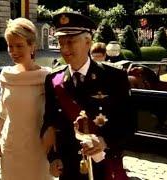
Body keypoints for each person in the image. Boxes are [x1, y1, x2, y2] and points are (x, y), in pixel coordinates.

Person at [41, 12, 136, 180]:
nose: (64, 49)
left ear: (88, 41)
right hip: (68, 167)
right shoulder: (53, 79)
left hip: (105, 165)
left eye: (70, 42)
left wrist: (105, 141)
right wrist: (53, 157)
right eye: (60, 43)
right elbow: (49, 122)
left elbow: (129, 123)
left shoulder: (114, 77)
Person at [0, 17, 53, 180]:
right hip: (10, 151)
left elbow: (54, 120)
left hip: (38, 152)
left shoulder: (46, 78)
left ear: (32, 46)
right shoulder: (6, 75)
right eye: (10, 46)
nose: (13, 51)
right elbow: (2, 114)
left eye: (19, 45)